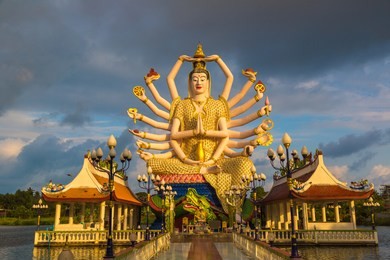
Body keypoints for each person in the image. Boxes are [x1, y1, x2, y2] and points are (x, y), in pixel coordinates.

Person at [128, 44, 272, 212]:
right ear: (190, 81)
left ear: (208, 82)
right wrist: (188, 154)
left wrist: (217, 59)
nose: (198, 82)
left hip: (216, 160)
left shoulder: (217, 105)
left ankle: (230, 205)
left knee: (244, 164)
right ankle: (205, 171)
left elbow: (225, 135)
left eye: (202, 79)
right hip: (186, 162)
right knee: (153, 163)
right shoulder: (182, 105)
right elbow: (174, 137)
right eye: (195, 79)